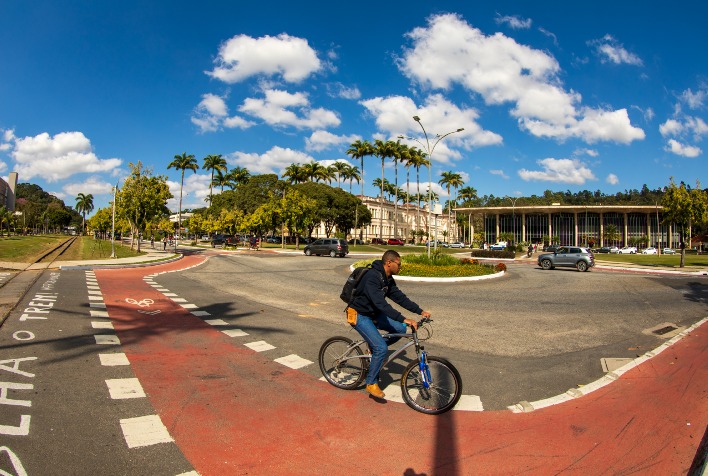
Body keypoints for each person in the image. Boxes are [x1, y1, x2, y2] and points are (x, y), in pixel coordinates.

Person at [348, 249, 431, 399]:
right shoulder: (372, 277)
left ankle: (374, 350)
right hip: (360, 314)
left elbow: (400, 298)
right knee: (381, 347)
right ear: (389, 262)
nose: (400, 267)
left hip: (373, 313)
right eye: (398, 264)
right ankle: (371, 382)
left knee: (400, 329)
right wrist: (403, 318)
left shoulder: (387, 278)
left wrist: (420, 311)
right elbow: (381, 304)